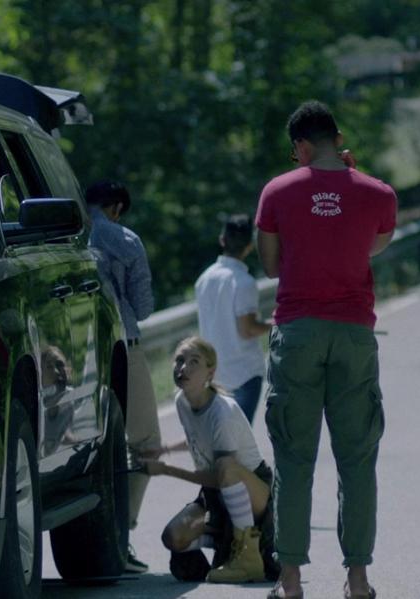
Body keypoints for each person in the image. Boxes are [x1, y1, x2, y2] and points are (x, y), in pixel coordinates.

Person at [255, 100, 397, 599]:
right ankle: (357, 580)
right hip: (355, 333)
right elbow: (371, 247)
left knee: (294, 458)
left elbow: (271, 266)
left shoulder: (276, 191)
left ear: (300, 146)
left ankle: (291, 581)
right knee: (357, 459)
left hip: (297, 332)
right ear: (339, 139)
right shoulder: (379, 194)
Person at [141, 336, 278, 584]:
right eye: (179, 361)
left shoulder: (222, 412)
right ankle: (223, 544)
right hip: (217, 494)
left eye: (194, 362)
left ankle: (249, 557)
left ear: (210, 373)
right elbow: (198, 438)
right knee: (173, 537)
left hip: (253, 492)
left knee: (226, 466)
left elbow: (221, 475)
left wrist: (166, 470)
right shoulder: (181, 401)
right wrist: (164, 449)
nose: (183, 368)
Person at [85, 180, 161, 574]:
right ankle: (121, 537)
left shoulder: (66, 234)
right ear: (115, 208)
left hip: (78, 353)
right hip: (123, 348)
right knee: (146, 444)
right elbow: (144, 307)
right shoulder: (125, 239)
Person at [194, 214, 272, 423]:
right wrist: (274, 323)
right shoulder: (243, 281)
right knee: (238, 441)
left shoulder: (203, 279)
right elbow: (247, 329)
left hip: (214, 374)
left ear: (222, 240)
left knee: (220, 440)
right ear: (250, 245)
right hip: (244, 374)